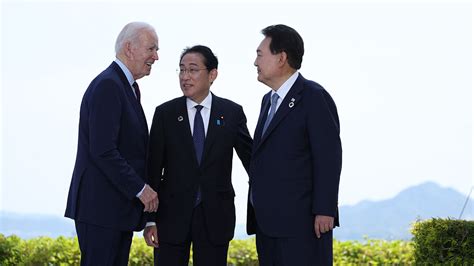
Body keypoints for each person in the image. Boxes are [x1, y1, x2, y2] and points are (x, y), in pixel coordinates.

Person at [144, 45, 252, 266]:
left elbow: (253, 161)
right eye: (182, 70)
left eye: (193, 70)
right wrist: (149, 220)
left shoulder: (232, 113)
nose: (185, 77)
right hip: (171, 220)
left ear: (212, 74)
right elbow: (153, 169)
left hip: (216, 218)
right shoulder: (165, 114)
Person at [64, 22, 160, 265]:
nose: (156, 57)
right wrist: (140, 189)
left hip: (115, 212)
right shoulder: (109, 85)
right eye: (151, 49)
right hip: (101, 211)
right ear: (129, 48)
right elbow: (103, 150)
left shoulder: (126, 87)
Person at [247, 24, 342, 265]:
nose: (255, 62)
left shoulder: (313, 96)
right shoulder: (267, 101)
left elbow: (328, 157)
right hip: (268, 225)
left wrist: (325, 209)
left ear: (281, 58)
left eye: (260, 54)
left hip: (303, 224)